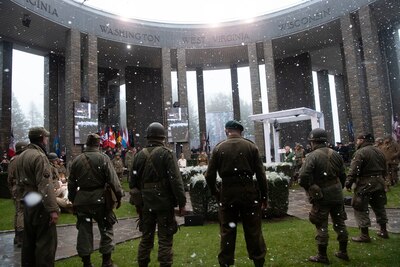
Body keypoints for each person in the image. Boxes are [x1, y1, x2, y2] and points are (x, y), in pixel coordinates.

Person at [205, 120, 268, 267]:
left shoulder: (218, 148)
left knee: (227, 231)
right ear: (241, 131)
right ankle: (259, 261)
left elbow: (209, 175)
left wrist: (216, 192)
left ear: (227, 130)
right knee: (253, 230)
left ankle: (226, 263)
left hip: (227, 193)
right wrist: (264, 196)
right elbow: (261, 175)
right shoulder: (251, 147)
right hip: (248, 192)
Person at [130, 122, 186, 267]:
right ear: (162, 137)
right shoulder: (167, 154)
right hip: (164, 203)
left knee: (146, 238)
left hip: (145, 203)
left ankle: (142, 264)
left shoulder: (138, 156)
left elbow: (132, 184)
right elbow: (176, 181)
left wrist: (138, 204)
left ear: (148, 137)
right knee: (165, 239)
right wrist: (182, 202)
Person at [68, 133, 123, 267]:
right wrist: (119, 195)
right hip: (101, 200)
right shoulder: (103, 158)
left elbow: (71, 184)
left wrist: (73, 199)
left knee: (84, 232)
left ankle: (86, 263)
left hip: (82, 200)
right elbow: (113, 181)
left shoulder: (77, 160)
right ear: (98, 144)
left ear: (87, 144)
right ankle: (106, 261)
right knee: (106, 229)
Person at [298, 128, 349, 264]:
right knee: (340, 223)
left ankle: (322, 256)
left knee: (321, 224)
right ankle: (343, 252)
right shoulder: (336, 154)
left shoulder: (312, 156)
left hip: (322, 195)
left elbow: (302, 176)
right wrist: (339, 187)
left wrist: (309, 187)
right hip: (337, 193)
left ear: (313, 141)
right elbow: (343, 175)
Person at [15, 127, 60, 266]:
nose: (47, 140)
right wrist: (52, 209)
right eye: (46, 138)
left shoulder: (21, 156)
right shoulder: (39, 157)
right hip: (40, 201)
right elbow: (45, 185)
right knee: (46, 243)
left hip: (28, 200)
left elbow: (18, 183)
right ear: (42, 138)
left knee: (29, 241)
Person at [345, 133, 389, 242]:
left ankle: (364, 235)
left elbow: (354, 170)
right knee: (379, 207)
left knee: (360, 207)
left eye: (358, 139)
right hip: (379, 181)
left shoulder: (360, 152)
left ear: (363, 140)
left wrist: (348, 183)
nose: (357, 142)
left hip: (365, 183)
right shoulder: (379, 151)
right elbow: (385, 168)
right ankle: (383, 230)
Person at [7, 140, 28, 247]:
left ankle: (17, 236)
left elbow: (9, 178)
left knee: (18, 211)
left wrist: (11, 189)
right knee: (22, 211)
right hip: (23, 187)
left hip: (16, 187)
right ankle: (21, 237)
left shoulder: (13, 160)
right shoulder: (25, 159)